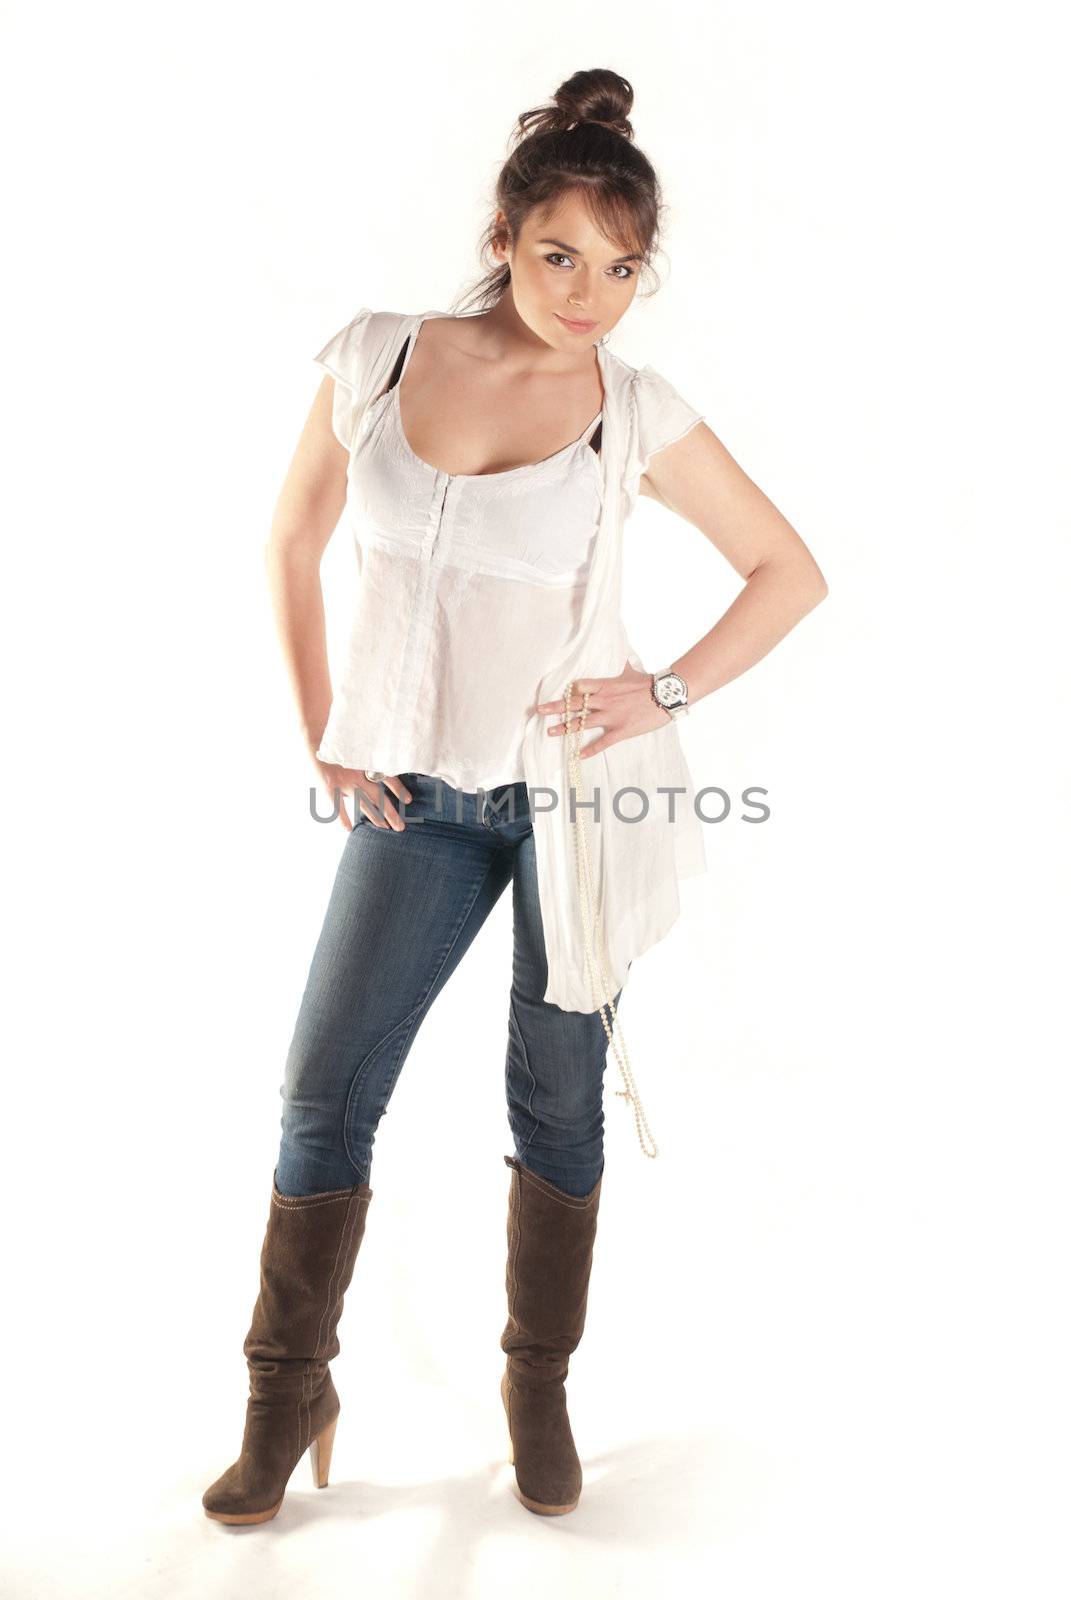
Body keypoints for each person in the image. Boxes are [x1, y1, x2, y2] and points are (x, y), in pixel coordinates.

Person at [202, 67, 828, 1527]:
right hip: (412, 798)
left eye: (619, 269)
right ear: (503, 232)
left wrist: (658, 691)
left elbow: (789, 572)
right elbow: (290, 540)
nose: (589, 294)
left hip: (570, 804)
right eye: (561, 255)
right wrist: (326, 738)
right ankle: (285, 1393)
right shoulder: (374, 356)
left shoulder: (632, 407)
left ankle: (535, 1387)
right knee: (321, 1096)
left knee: (555, 1106)